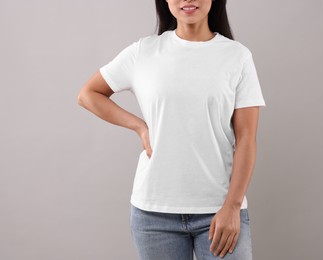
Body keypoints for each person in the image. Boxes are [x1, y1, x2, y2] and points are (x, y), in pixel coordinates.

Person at [77, 0, 266, 259]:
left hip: (219, 208)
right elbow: (89, 94)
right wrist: (139, 126)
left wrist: (232, 206)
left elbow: (246, 139)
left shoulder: (237, 56)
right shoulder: (143, 52)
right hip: (153, 216)